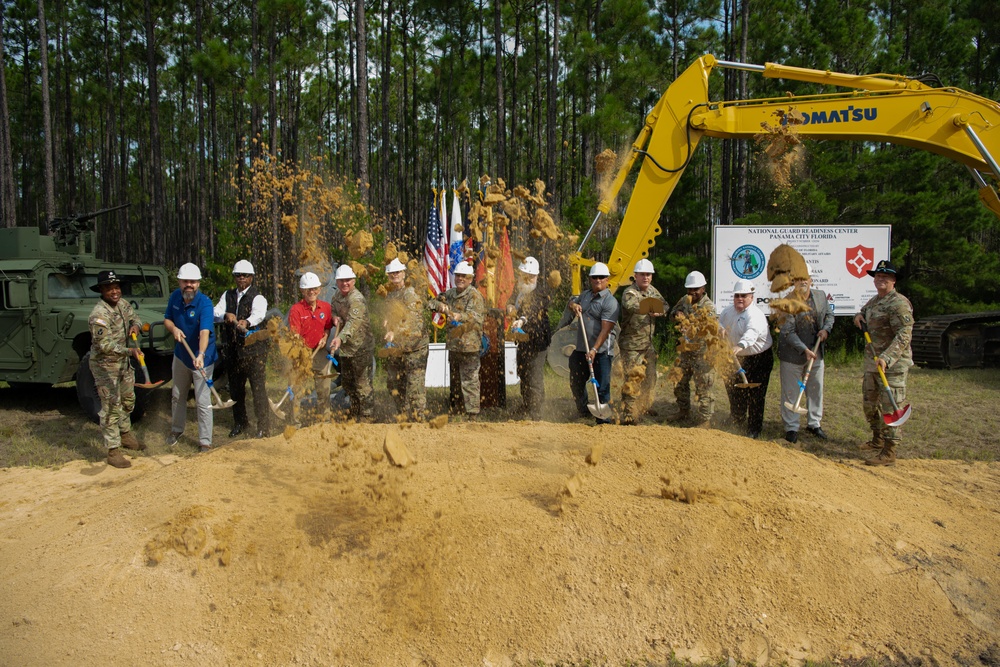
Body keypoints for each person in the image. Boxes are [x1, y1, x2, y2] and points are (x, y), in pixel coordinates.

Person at [853, 259, 913, 466]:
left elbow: (904, 335)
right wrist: (859, 316)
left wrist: (887, 358)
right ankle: (877, 439)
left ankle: (889, 450)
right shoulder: (876, 301)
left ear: (893, 280)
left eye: (885, 277)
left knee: (891, 407)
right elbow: (863, 311)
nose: (881, 279)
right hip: (872, 362)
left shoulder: (899, 304)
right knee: (869, 404)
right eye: (878, 276)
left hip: (892, 365)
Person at [87, 270, 145, 468]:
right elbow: (105, 345)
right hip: (105, 366)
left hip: (123, 363)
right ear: (102, 290)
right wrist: (130, 351)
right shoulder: (99, 315)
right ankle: (113, 451)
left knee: (128, 400)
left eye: (117, 287)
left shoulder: (123, 304)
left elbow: (136, 318)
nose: (115, 291)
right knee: (111, 407)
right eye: (109, 288)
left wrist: (135, 327)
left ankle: (126, 435)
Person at [164, 263, 218, 452]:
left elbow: (204, 332)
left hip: (203, 358)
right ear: (179, 282)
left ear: (198, 283)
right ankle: (176, 430)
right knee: (177, 395)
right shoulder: (175, 297)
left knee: (203, 400)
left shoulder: (205, 303)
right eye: (186, 281)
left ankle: (205, 441)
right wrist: (174, 329)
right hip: (181, 356)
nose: (189, 285)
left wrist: (201, 355)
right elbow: (167, 319)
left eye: (193, 282)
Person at [557, 262, 620, 425]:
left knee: (602, 386)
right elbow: (571, 303)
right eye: (594, 277)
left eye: (601, 277)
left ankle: (603, 419)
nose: (598, 280)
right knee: (576, 380)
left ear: (607, 280)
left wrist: (594, 349)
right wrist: (574, 306)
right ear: (590, 279)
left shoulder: (610, 302)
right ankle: (583, 410)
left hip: (601, 352)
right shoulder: (584, 296)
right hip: (581, 349)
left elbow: (606, 330)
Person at [778, 264, 834, 443]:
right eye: (798, 279)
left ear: (811, 280)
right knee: (791, 391)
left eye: (805, 278)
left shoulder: (820, 296)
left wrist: (826, 329)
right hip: (793, 355)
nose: (802, 281)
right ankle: (791, 427)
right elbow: (787, 331)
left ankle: (814, 423)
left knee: (815, 388)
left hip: (817, 352)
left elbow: (829, 316)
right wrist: (804, 349)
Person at [214, 260, 270, 438]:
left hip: (255, 352)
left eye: (245, 276)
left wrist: (246, 322)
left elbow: (259, 314)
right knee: (236, 390)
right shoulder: (228, 295)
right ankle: (241, 422)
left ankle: (263, 426)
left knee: (258, 389)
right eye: (238, 275)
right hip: (233, 352)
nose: (241, 279)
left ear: (251, 277)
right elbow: (215, 312)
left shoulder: (257, 297)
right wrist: (225, 315)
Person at [429, 260, 485, 418]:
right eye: (458, 275)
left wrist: (461, 316)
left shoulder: (474, 295)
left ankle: (472, 413)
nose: (460, 278)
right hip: (454, 345)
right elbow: (432, 302)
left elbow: (476, 317)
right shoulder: (451, 293)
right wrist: (439, 306)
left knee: (470, 380)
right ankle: (456, 408)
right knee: (455, 380)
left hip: (469, 346)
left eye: (464, 276)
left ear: (470, 279)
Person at [718, 279, 773, 439]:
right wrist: (720, 329)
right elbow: (719, 321)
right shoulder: (728, 311)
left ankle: (754, 428)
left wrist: (740, 345)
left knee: (755, 394)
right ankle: (737, 419)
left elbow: (752, 333)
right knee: (734, 390)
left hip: (758, 359)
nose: (740, 299)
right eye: (737, 296)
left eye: (744, 295)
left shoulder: (755, 315)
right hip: (736, 359)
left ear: (751, 297)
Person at [618, 258, 664, 425]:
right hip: (632, 345)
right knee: (632, 378)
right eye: (642, 274)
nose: (646, 277)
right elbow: (632, 306)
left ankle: (644, 406)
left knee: (650, 378)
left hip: (648, 345)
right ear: (635, 276)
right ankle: (628, 412)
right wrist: (652, 308)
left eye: (648, 275)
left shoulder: (653, 291)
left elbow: (664, 305)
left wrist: (660, 311)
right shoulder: (630, 292)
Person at [505, 256, 552, 420]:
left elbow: (533, 311)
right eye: (524, 274)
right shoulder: (520, 290)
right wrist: (510, 308)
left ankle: (536, 412)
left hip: (537, 342)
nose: (527, 278)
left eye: (530, 276)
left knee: (534, 377)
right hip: (523, 341)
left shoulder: (541, 293)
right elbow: (511, 302)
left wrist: (522, 320)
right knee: (523, 374)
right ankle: (526, 406)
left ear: (536, 276)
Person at [382, 258, 428, 421]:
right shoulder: (391, 294)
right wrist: (387, 321)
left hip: (415, 347)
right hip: (399, 347)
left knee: (414, 387)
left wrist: (395, 332)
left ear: (403, 274)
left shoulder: (410, 294)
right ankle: (403, 415)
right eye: (392, 273)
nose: (394, 275)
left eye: (397, 272)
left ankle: (418, 419)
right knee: (394, 382)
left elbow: (413, 321)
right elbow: (391, 313)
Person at [669, 270, 717, 425]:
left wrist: (688, 324)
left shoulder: (709, 307)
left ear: (703, 288)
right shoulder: (685, 300)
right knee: (679, 382)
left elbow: (706, 329)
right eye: (690, 289)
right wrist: (677, 314)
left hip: (702, 353)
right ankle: (683, 412)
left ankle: (705, 420)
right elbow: (672, 314)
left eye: (696, 289)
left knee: (704, 387)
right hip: (685, 351)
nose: (692, 292)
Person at [330, 264, 375, 422]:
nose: (345, 283)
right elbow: (333, 309)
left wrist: (340, 338)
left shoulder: (356, 299)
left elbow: (353, 324)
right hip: (346, 350)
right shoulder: (337, 296)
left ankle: (368, 416)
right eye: (341, 280)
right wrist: (335, 317)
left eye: (348, 280)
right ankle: (355, 411)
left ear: (354, 281)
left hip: (360, 348)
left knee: (363, 384)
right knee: (348, 384)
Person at [288, 271, 334, 422]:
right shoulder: (296, 310)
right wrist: (302, 354)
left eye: (314, 289)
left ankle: (324, 421)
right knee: (297, 388)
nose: (312, 292)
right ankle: (296, 423)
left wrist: (325, 336)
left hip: (319, 353)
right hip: (302, 353)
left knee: (323, 388)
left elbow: (327, 326)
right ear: (302, 291)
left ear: (319, 289)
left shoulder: (326, 308)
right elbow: (295, 335)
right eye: (308, 290)